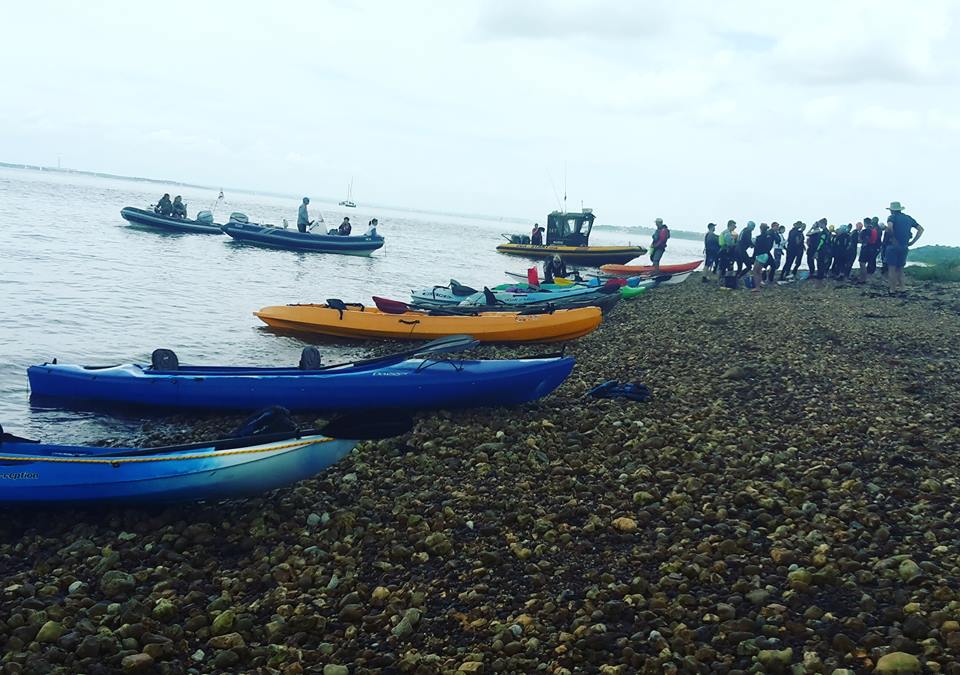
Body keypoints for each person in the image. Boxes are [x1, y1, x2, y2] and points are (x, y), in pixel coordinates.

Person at [885, 201, 924, 294]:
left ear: (892, 210)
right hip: (904, 246)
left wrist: (893, 238)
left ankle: (892, 289)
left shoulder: (892, 217)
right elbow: (921, 229)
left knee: (892, 268)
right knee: (900, 269)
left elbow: (890, 227)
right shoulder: (908, 218)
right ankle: (903, 288)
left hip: (892, 247)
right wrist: (912, 242)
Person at [751, 223, 774, 291]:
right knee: (759, 270)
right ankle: (760, 283)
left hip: (760, 255)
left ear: (760, 228)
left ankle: (757, 287)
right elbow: (769, 246)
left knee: (755, 271)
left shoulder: (759, 237)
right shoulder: (768, 237)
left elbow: (756, 248)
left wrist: (753, 256)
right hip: (766, 255)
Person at [858, 217, 882, 282]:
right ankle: (866, 277)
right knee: (869, 262)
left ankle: (863, 278)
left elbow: (863, 240)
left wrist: (861, 239)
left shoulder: (866, 231)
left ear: (865, 223)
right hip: (872, 248)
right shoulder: (875, 230)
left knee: (862, 263)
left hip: (866, 248)